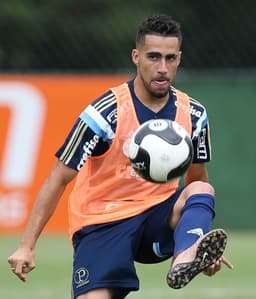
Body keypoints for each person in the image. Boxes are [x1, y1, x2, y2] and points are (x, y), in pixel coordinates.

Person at [8, 14, 233, 299]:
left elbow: (196, 180)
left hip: (157, 220)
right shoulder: (105, 112)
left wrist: (200, 241)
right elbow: (58, 178)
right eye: (153, 57)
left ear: (179, 58)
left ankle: (188, 256)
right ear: (136, 57)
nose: (162, 68)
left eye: (170, 58)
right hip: (103, 222)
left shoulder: (194, 114)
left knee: (203, 189)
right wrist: (27, 244)